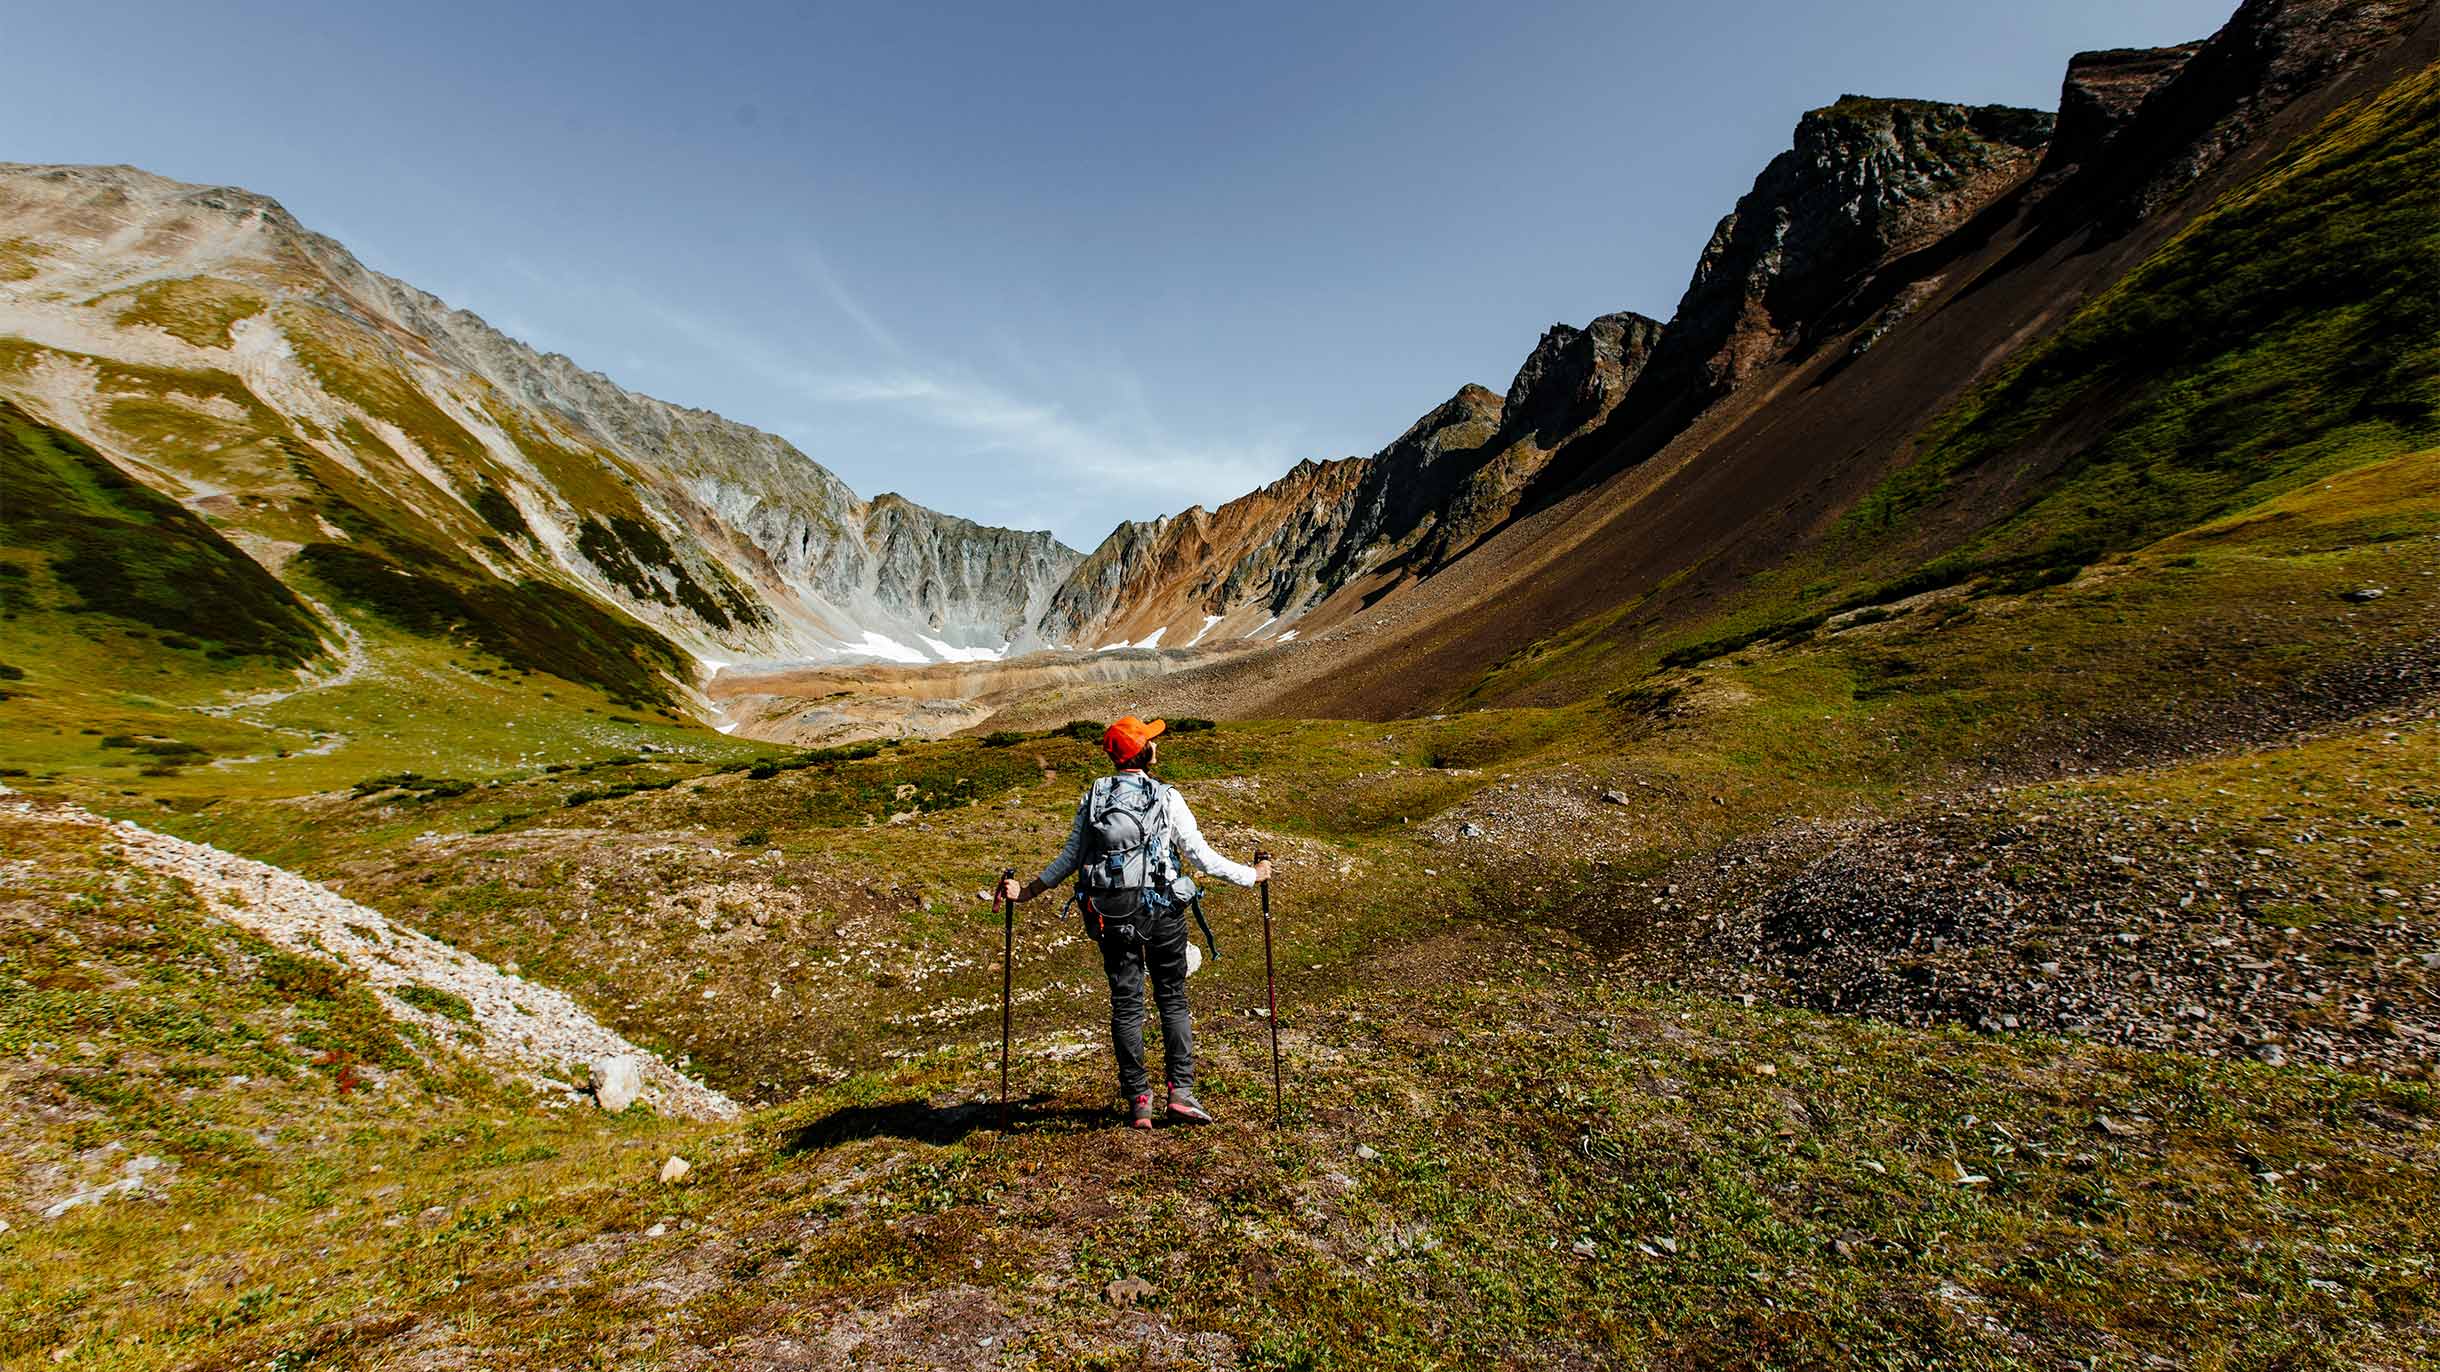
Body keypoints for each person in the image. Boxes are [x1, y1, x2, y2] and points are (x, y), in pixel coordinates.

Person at [998, 716, 1271, 1128]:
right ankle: (1180, 1094)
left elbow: (1071, 857)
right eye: (1152, 741)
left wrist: (1028, 891)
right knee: (1172, 999)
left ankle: (1138, 1100)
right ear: (1146, 752)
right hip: (1161, 912)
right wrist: (1252, 876)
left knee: (1126, 1005)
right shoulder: (1166, 796)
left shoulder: (1095, 795)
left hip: (1109, 914)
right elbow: (1200, 857)